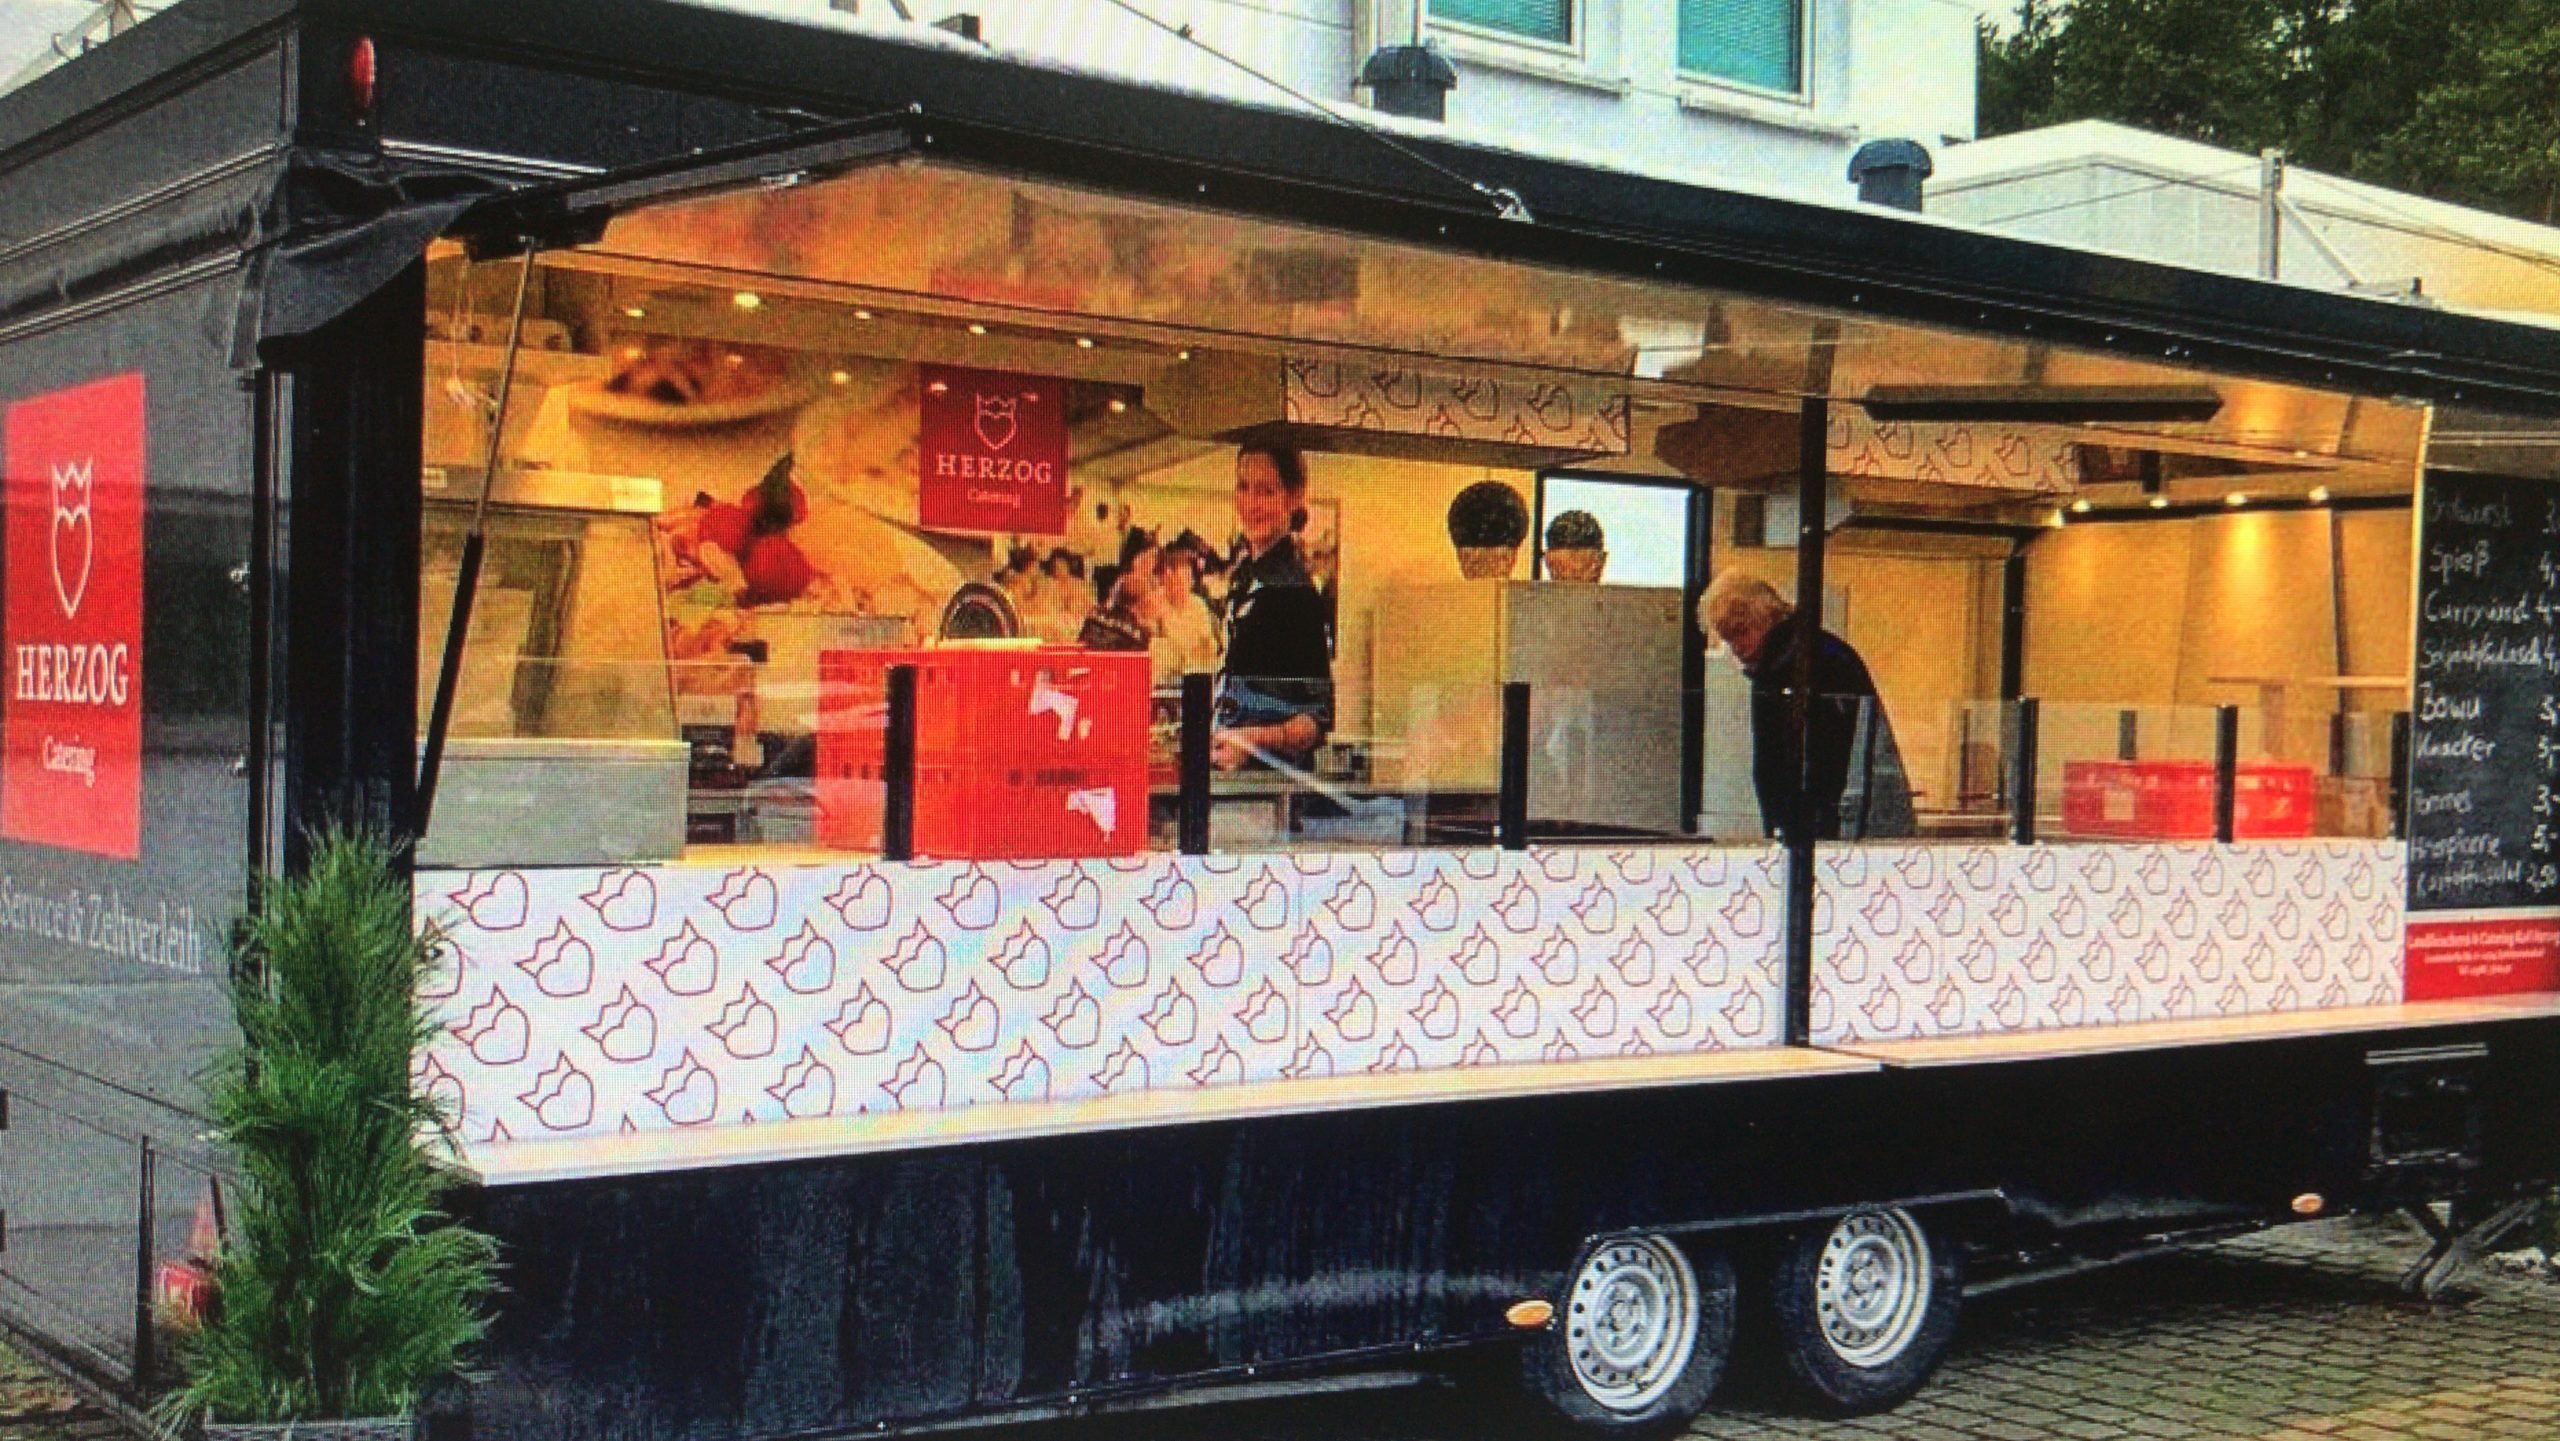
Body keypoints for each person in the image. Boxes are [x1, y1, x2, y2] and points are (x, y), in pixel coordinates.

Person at [1702, 571, 1914, 841]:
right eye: (1728, 638)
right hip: (1828, 824)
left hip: (1826, 827)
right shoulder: (1793, 662)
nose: (1737, 647)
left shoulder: (1802, 666)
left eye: (1741, 632)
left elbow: (1824, 768)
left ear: (1768, 617)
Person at [1214, 444, 1333, 771]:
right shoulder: (1244, 578)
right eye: (1243, 487)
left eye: (1266, 491)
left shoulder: (1294, 594)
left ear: (1294, 498)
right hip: (1232, 778)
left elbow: (1316, 720)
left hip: (1271, 788)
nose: (1251, 504)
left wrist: (1252, 739)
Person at [1154, 533, 1224, 683]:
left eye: (1188, 577)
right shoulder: (1156, 604)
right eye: (1182, 576)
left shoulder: (1197, 604)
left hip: (1196, 673)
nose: (1188, 582)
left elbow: (1209, 647)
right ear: (1166, 576)